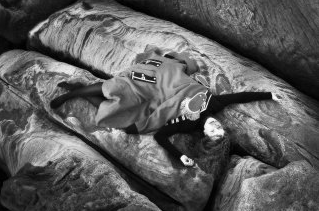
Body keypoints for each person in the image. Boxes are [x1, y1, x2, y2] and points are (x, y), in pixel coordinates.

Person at [50, 49, 279, 166]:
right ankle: (77, 92)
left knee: (123, 119)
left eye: (213, 132)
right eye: (220, 128)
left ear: (206, 134)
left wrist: (180, 157)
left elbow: (161, 135)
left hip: (160, 96)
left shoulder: (189, 123)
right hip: (167, 79)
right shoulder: (214, 103)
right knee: (119, 88)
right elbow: (240, 96)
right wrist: (269, 94)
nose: (215, 126)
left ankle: (81, 91)